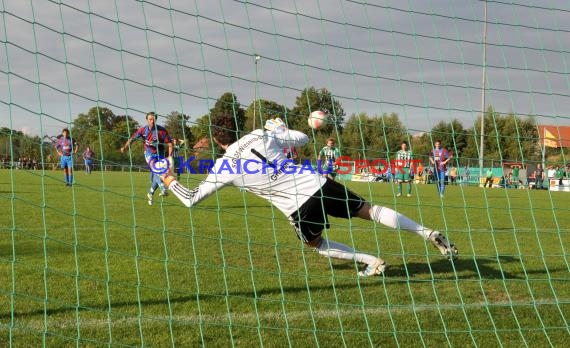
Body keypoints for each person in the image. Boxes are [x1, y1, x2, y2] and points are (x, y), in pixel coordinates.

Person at [158, 114, 458, 277]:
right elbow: (302, 138)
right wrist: (283, 127)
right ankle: (427, 232)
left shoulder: (224, 166)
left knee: (315, 244)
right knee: (370, 209)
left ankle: (372, 261)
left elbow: (190, 199)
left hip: (297, 205)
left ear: (214, 139)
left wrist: (168, 177)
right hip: (317, 182)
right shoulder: (259, 134)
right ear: (237, 128)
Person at [120, 112, 173, 205]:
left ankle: (150, 193)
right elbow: (132, 139)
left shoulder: (162, 131)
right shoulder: (143, 130)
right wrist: (125, 147)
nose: (152, 121)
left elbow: (170, 145)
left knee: (159, 176)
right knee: (156, 171)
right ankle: (163, 189)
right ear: (147, 120)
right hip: (149, 154)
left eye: (153, 119)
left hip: (160, 154)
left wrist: (169, 157)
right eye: (150, 119)